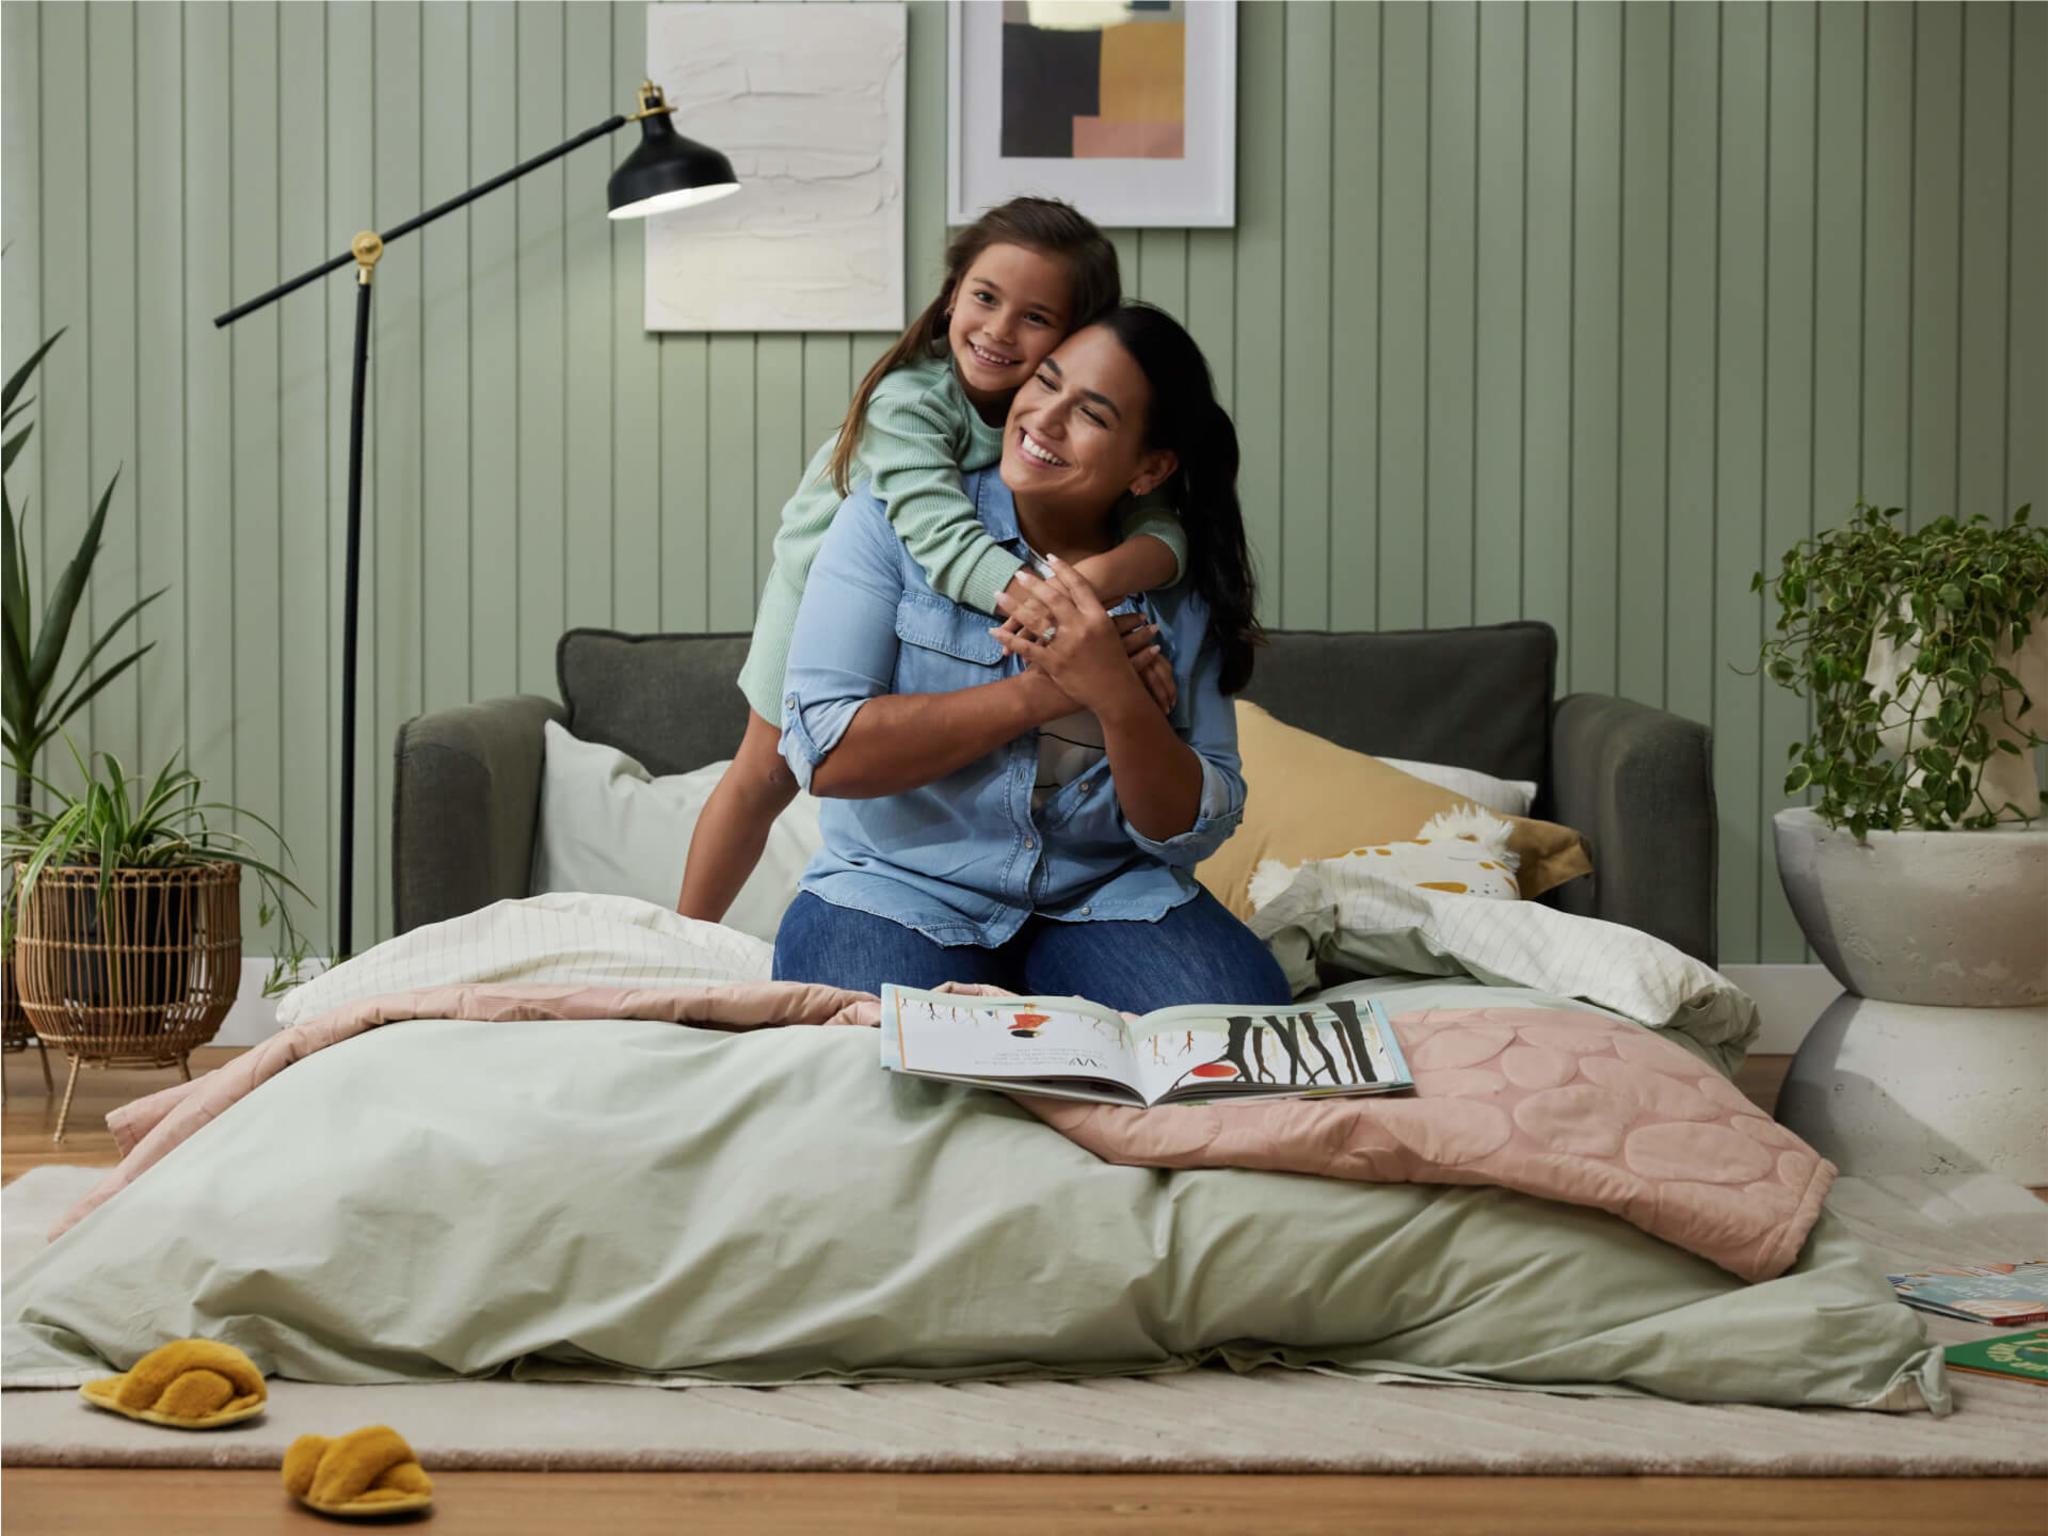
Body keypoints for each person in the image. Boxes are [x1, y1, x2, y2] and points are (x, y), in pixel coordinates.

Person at [678, 199, 1189, 924]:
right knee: (765, 771)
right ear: (952, 294)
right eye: (985, 298)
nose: (999, 331)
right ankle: (685, 938)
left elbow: (1163, 532)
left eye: (1036, 318)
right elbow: (939, 536)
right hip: (829, 569)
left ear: (1075, 337)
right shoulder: (910, 402)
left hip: (965, 581)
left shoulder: (1049, 415)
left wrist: (1098, 592)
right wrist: (1061, 622)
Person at [771, 304, 1292, 1014]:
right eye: (1044, 383)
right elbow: (826, 755)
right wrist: (1048, 692)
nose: (1043, 418)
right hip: (897, 889)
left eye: (1092, 415)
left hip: (1106, 897)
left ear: (1150, 468)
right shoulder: (892, 523)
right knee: (867, 1059)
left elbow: (1187, 829)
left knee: (1239, 1028)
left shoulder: (1172, 586)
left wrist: (1117, 696)